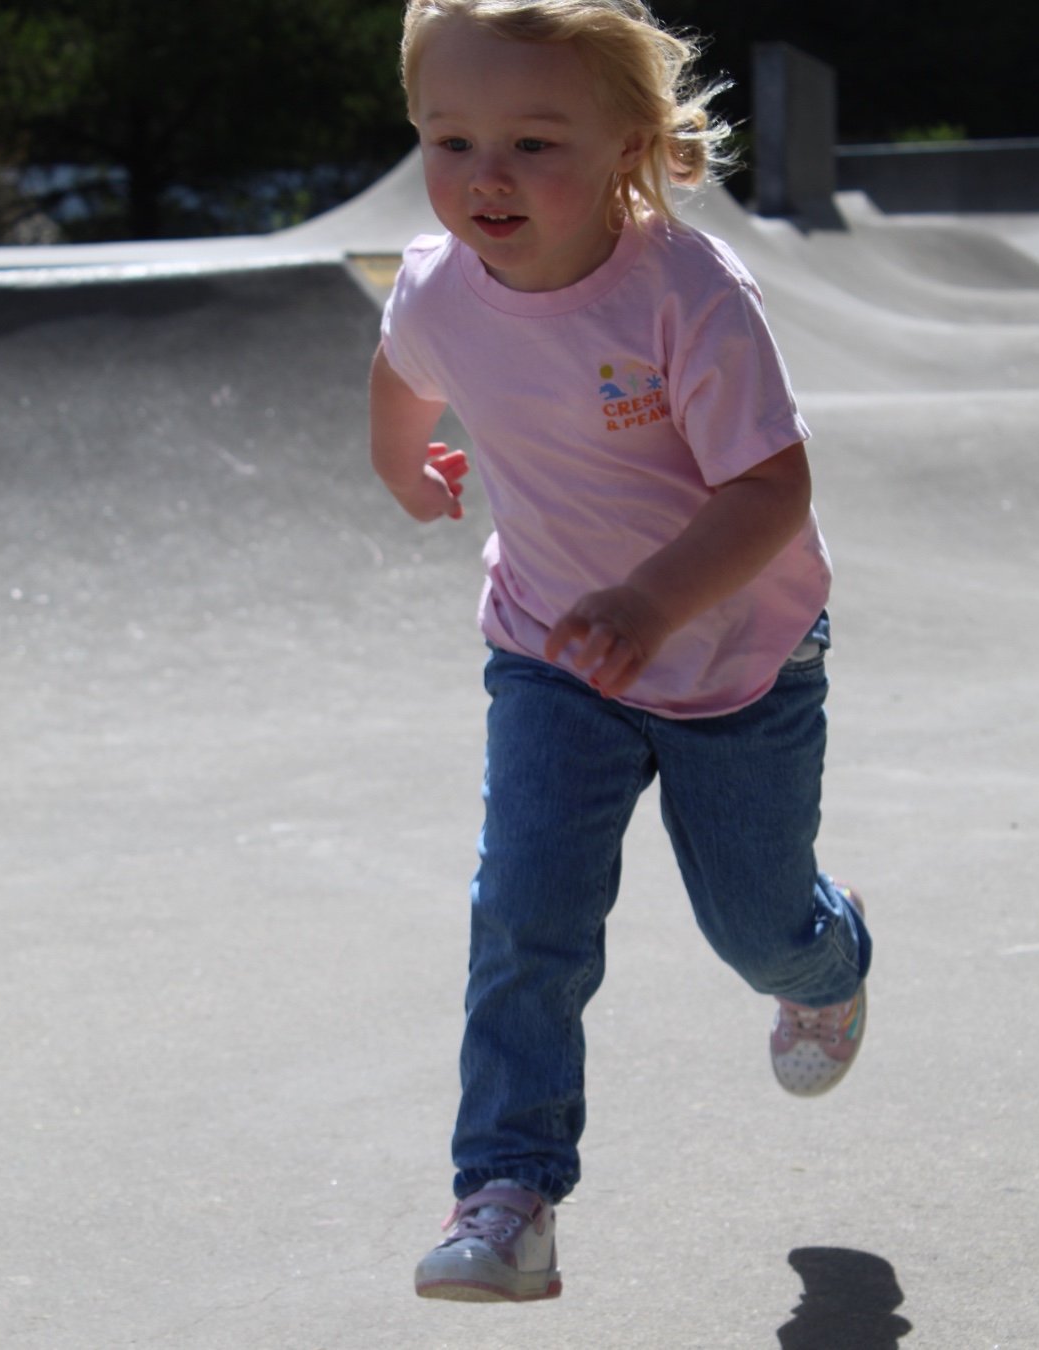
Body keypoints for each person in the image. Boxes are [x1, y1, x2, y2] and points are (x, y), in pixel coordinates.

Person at [370, 0, 873, 1304]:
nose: (486, 175)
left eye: (536, 142)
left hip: (737, 662)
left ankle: (829, 962)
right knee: (525, 910)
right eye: (452, 137)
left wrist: (650, 603)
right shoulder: (438, 282)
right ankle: (508, 1192)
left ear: (628, 147)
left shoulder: (685, 293)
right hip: (550, 652)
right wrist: (401, 461)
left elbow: (771, 492)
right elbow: (400, 366)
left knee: (759, 925)